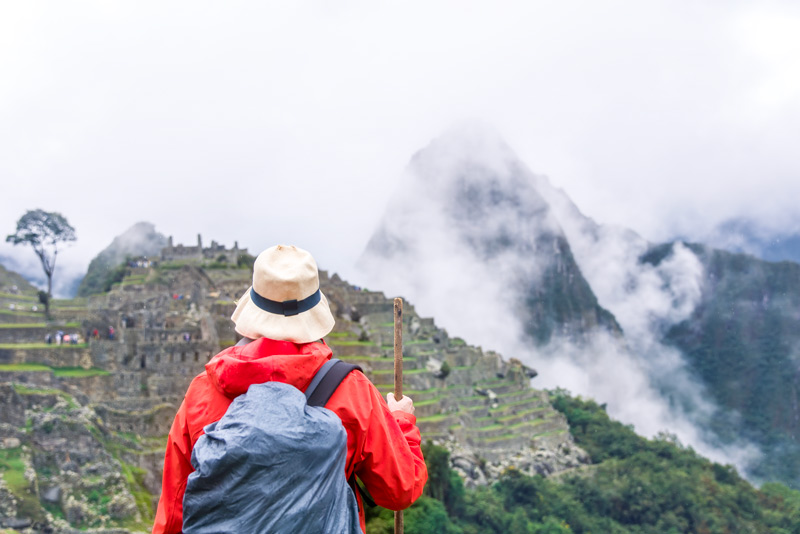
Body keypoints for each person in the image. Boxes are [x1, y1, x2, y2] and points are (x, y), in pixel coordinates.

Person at [153, 245, 427, 533]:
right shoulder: (351, 391)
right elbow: (399, 489)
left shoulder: (204, 391)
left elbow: (175, 509)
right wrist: (402, 422)